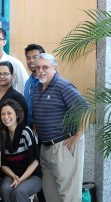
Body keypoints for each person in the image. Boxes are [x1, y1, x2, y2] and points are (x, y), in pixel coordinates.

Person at [33, 53, 87, 202]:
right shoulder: (38, 87)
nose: (41, 71)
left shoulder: (62, 86)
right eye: (38, 67)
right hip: (46, 147)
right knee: (51, 195)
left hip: (64, 145)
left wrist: (77, 135)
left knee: (69, 195)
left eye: (45, 67)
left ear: (55, 68)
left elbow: (84, 109)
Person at [0, 99, 42, 202]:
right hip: (12, 175)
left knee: (20, 191)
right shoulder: (2, 135)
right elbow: (3, 164)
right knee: (5, 189)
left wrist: (21, 179)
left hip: (32, 175)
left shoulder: (26, 132)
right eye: (2, 114)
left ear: (17, 115)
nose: (5, 117)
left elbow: (35, 161)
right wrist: (14, 176)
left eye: (9, 113)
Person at [0, 61, 28, 129]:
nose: (2, 76)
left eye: (5, 74)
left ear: (12, 76)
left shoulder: (17, 97)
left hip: (7, 137)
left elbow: (23, 121)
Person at [24, 44, 45, 128]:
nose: (31, 61)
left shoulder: (48, 81)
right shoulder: (28, 82)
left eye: (35, 57)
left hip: (46, 131)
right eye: (28, 58)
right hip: (30, 130)